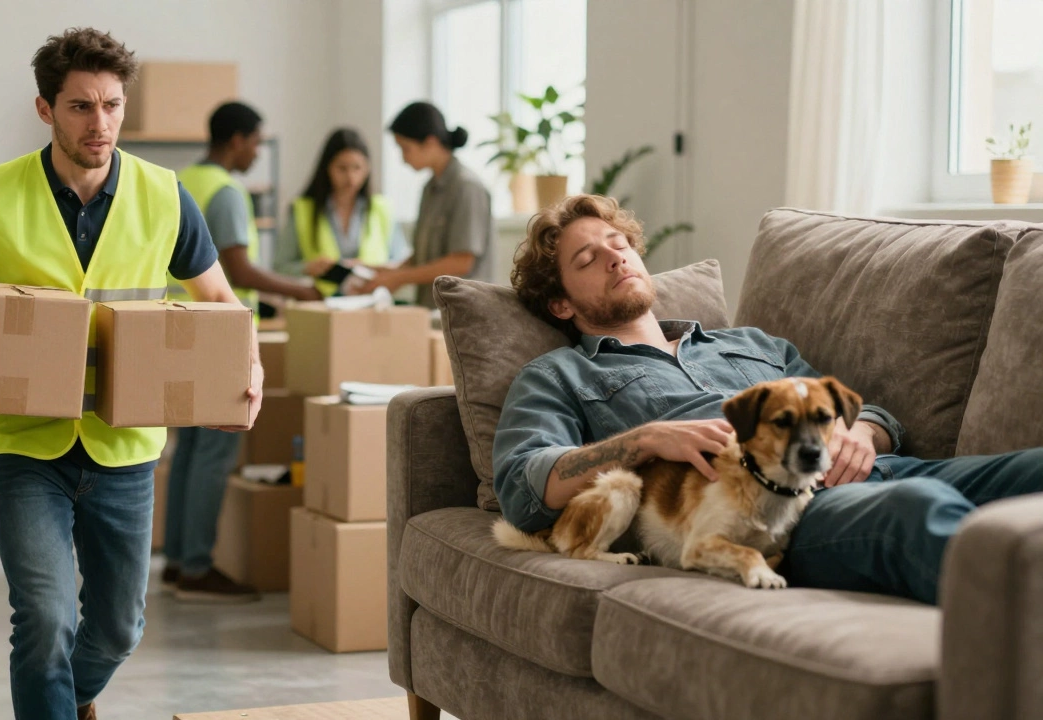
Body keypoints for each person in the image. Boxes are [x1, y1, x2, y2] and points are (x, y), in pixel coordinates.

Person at [0, 28, 261, 720]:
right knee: (44, 616)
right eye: (81, 108)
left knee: (120, 628)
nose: (101, 124)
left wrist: (249, 371)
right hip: (22, 444)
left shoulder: (165, 196)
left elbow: (222, 304)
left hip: (124, 448)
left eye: (113, 106)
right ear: (45, 109)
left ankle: (70, 698)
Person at [493, 193, 1043, 606]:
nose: (616, 258)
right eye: (588, 259)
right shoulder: (559, 373)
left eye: (619, 245)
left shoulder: (751, 343)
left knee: (1029, 471)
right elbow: (523, 486)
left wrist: (862, 432)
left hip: (879, 469)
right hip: (777, 513)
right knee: (916, 511)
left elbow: (855, 407)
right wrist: (644, 440)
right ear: (561, 304)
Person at [160, 102, 316, 604]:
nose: (256, 152)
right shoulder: (226, 192)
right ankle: (198, 568)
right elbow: (240, 272)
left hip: (176, 327)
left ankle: (179, 562)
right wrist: (301, 291)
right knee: (215, 451)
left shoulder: (184, 180)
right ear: (236, 140)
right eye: (254, 141)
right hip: (216, 332)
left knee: (187, 449)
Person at [355, 101, 492, 308]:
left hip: (465, 311)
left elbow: (461, 261)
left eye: (405, 149)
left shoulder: (467, 188)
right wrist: (383, 273)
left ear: (430, 142)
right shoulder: (430, 189)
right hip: (433, 309)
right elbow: (423, 258)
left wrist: (399, 278)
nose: (403, 158)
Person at [274, 127, 410, 295]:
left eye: (357, 168)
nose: (351, 178)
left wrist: (370, 267)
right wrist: (308, 268)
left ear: (367, 169)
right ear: (327, 168)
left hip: (372, 302)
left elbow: (402, 264)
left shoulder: (382, 209)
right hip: (321, 306)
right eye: (342, 168)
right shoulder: (302, 209)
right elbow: (280, 268)